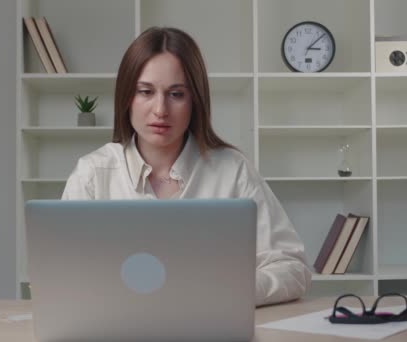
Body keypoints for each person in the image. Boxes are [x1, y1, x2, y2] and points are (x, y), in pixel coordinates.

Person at [62, 26, 311, 306]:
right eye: (145, 91)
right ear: (126, 97)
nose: (160, 110)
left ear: (195, 100)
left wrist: (228, 293)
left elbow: (292, 267)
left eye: (176, 94)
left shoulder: (233, 171)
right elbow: (61, 275)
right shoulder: (92, 174)